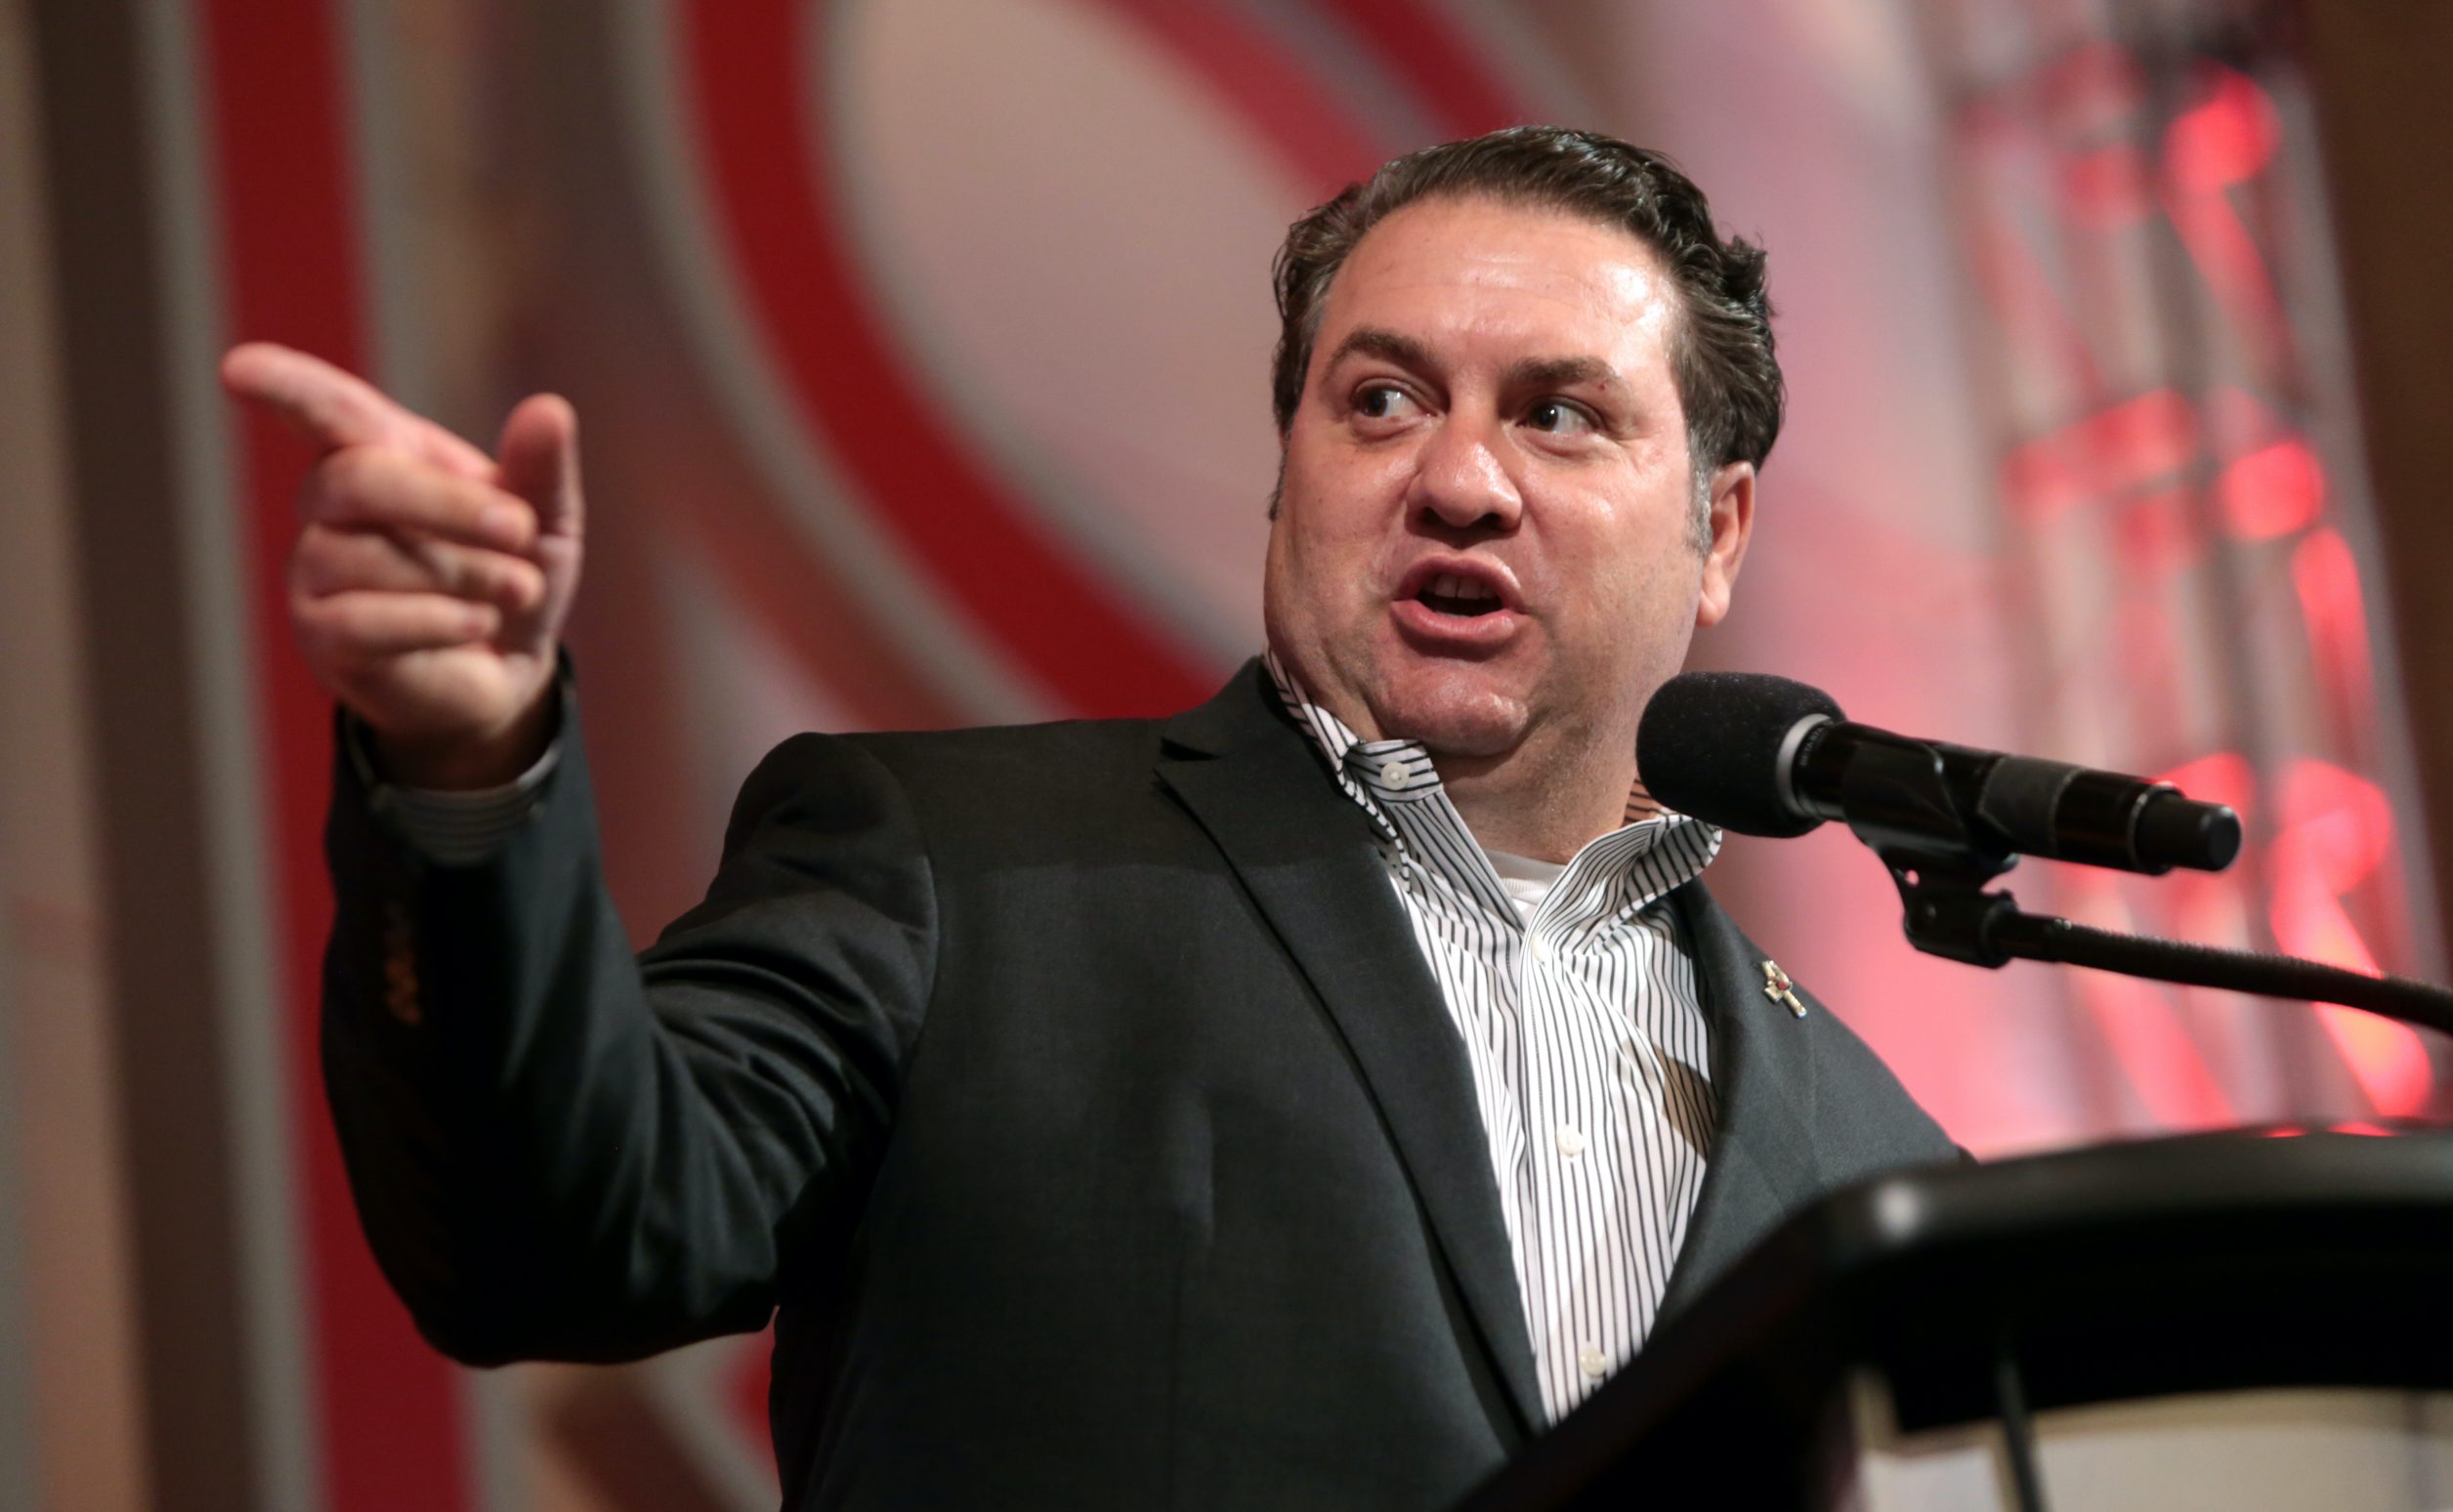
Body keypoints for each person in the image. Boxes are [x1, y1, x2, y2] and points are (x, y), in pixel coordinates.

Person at [225, 126, 1954, 1510]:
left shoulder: (1870, 1152)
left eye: (1559, 414)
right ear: (1292, 465)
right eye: (1382, 399)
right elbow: (560, 1235)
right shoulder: (951, 867)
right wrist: (470, 777)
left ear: (1720, 533)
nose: (1458, 478)